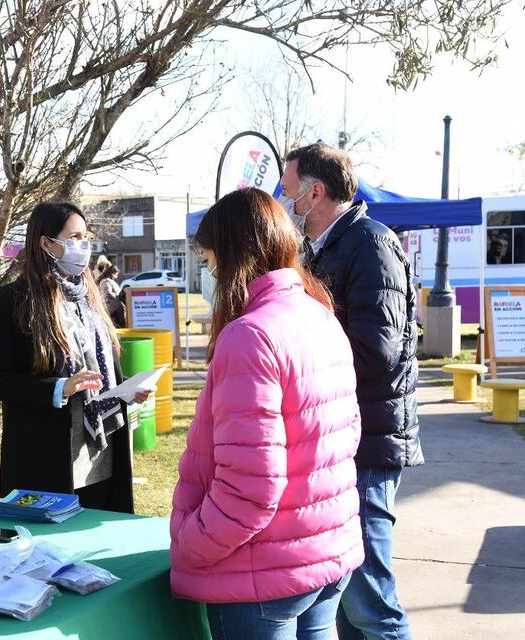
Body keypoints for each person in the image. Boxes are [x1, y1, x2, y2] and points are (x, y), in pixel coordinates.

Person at [170, 188, 364, 640]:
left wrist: (192, 543)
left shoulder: (250, 336)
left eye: (210, 258)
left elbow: (249, 488)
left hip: (262, 570)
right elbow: (346, 435)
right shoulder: (318, 315)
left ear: (233, 255)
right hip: (322, 552)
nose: (209, 270)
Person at [280, 143, 423, 640]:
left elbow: (375, 352)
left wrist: (303, 371)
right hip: (343, 439)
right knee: (343, 602)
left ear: (315, 192)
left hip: (367, 442)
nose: (286, 202)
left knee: (369, 604)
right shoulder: (331, 248)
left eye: (289, 191)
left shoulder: (369, 244)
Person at [0, 201, 150, 512]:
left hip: (102, 451)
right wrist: (60, 388)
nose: (82, 247)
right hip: (48, 459)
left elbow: (97, 369)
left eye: (84, 237)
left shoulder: (90, 296)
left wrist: (126, 388)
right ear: (45, 243)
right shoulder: (14, 300)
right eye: (73, 238)